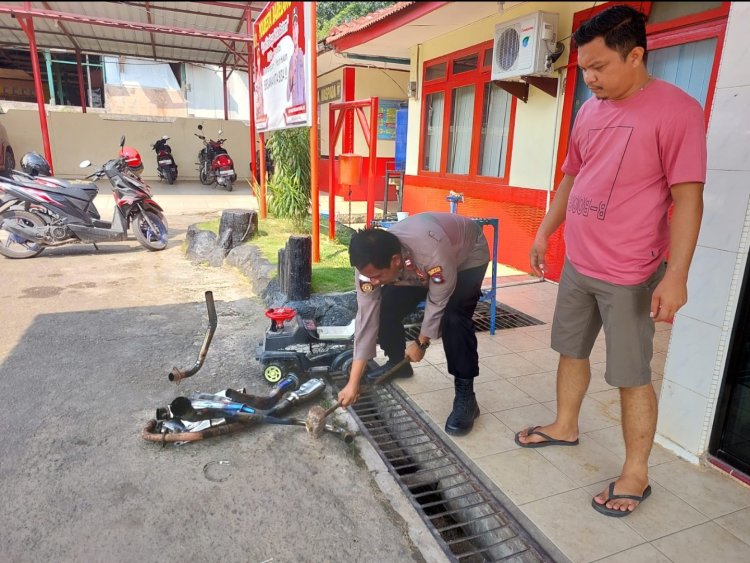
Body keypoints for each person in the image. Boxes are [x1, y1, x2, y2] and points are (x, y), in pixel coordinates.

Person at [514, 5, 706, 518]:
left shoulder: (677, 111)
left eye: (599, 67)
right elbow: (573, 177)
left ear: (636, 55)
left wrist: (678, 276)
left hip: (630, 273)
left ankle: (636, 474)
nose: (590, 78)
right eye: (584, 69)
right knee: (570, 350)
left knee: (630, 373)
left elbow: (688, 198)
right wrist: (544, 232)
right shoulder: (589, 110)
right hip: (580, 262)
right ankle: (564, 425)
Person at [338, 213, 490, 436]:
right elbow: (366, 319)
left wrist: (422, 342)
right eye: (369, 277)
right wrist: (353, 382)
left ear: (395, 261)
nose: (374, 282)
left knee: (454, 319)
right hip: (418, 268)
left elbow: (438, 299)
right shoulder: (368, 269)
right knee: (383, 309)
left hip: (466, 255)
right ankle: (399, 363)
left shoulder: (432, 252)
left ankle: (467, 399)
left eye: (378, 276)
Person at [287, 8, 306, 108]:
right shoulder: (290, 61)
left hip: (304, 109)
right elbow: (287, 93)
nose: (295, 32)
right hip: (294, 111)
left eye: (296, 26)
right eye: (293, 27)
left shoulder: (304, 56)